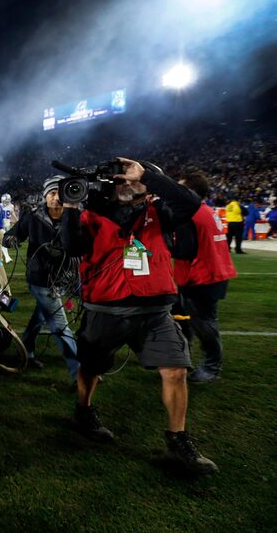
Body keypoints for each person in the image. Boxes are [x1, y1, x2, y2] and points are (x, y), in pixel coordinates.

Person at [61, 157, 217, 475]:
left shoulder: (160, 212)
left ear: (147, 185)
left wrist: (147, 176)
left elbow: (192, 202)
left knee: (176, 370)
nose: (126, 184)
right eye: (120, 180)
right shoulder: (92, 214)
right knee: (91, 367)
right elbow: (71, 246)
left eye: (132, 179)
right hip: (105, 308)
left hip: (155, 311)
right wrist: (70, 210)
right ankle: (84, 411)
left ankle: (178, 440)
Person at [2, 176, 79, 381]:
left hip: (64, 277)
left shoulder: (75, 216)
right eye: (52, 193)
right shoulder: (33, 215)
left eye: (60, 193)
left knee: (40, 318)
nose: (56, 198)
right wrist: (12, 239)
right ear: (45, 195)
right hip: (40, 278)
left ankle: (26, 351)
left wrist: (63, 254)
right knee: (60, 325)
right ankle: (79, 372)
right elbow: (13, 235)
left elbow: (82, 247)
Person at [173, 172, 237, 383]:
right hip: (212, 272)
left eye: (181, 188)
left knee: (204, 324)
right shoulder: (205, 210)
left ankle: (212, 367)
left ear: (190, 192)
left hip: (201, 277)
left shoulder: (189, 215)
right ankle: (184, 358)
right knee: (185, 319)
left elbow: (183, 250)